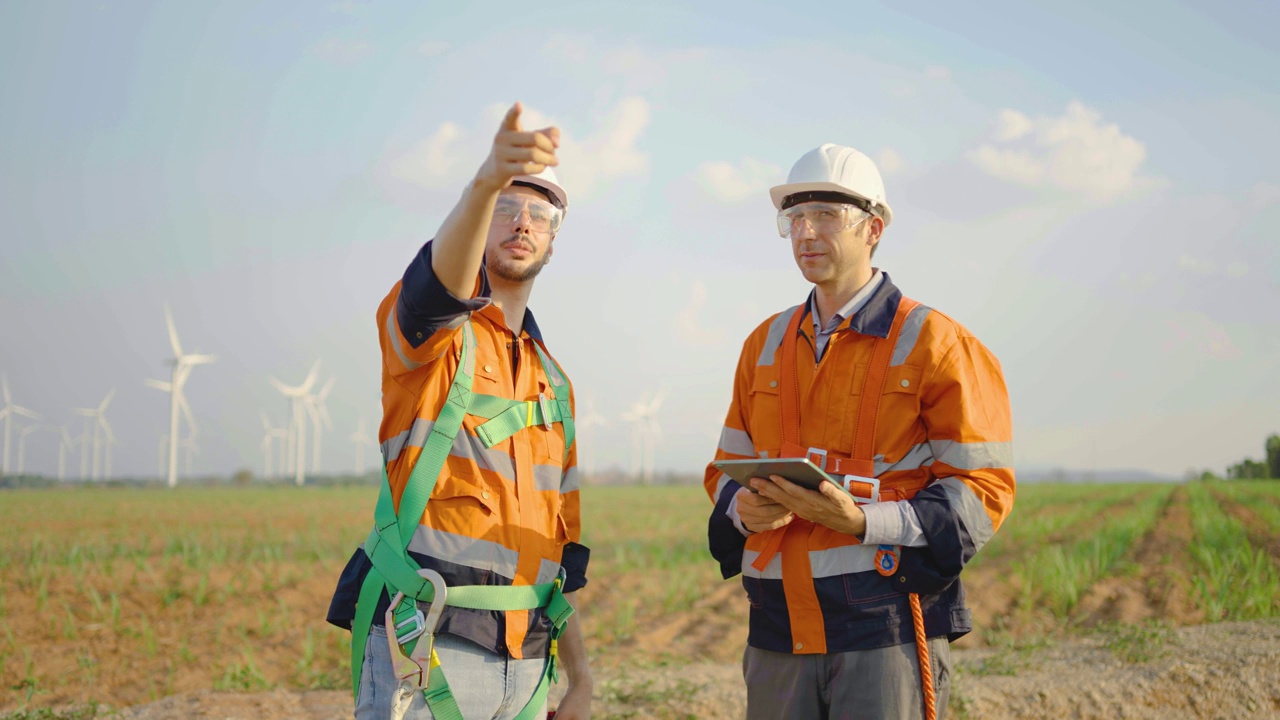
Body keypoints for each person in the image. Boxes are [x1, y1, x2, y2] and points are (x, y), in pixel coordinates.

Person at [704, 144, 1015, 720]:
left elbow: (983, 490)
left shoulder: (937, 342)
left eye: (825, 215)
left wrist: (862, 521)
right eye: (794, 218)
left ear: (873, 229)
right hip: (777, 630)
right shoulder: (764, 343)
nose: (806, 233)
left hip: (885, 628)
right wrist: (742, 509)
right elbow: (724, 468)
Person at [327, 103, 593, 720]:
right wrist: (484, 183)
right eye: (506, 207)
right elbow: (437, 290)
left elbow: (562, 559)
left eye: (540, 215)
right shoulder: (432, 343)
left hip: (528, 668)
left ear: (554, 241)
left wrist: (580, 678)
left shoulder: (556, 386)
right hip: (428, 652)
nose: (521, 223)